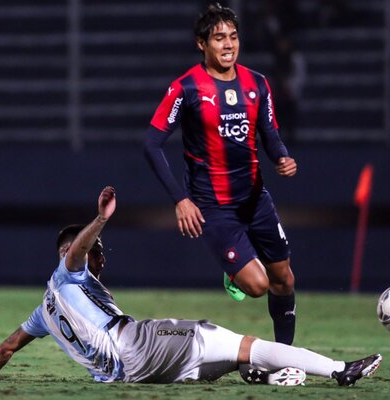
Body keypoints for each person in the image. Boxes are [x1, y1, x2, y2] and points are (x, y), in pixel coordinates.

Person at [0, 186, 382, 386]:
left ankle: (266, 378)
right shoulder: (68, 270)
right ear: (75, 250)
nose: (102, 257)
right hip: (135, 345)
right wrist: (102, 219)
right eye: (97, 251)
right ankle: (340, 371)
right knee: (238, 341)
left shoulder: (43, 311)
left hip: (126, 374)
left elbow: (8, 347)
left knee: (221, 359)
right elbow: (75, 251)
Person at [143, 2, 298, 350]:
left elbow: (269, 134)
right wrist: (181, 200)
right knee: (258, 286)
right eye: (218, 38)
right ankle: (235, 274)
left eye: (233, 36)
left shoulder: (257, 84)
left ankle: (286, 357)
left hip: (256, 200)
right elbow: (151, 144)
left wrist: (282, 158)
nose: (228, 44)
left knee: (284, 279)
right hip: (213, 208)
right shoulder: (186, 89)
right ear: (202, 44)